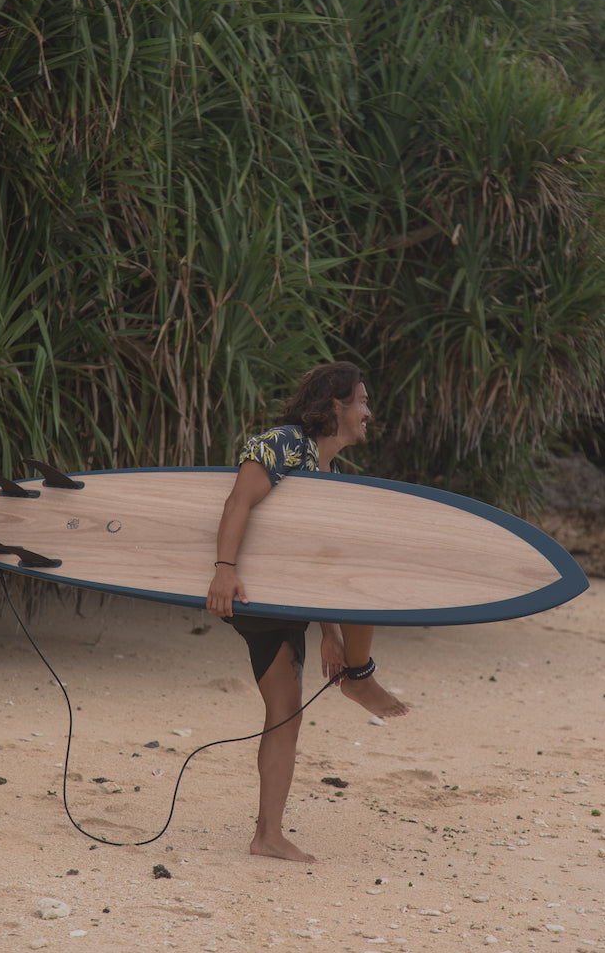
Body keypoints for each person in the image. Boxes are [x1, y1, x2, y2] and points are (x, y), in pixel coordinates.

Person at [206, 361, 408, 862]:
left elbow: (317, 565)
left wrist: (330, 633)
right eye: (362, 400)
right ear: (336, 405)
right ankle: (360, 678)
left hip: (291, 602)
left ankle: (267, 836)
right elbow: (238, 502)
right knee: (365, 582)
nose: (368, 411)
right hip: (254, 591)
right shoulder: (285, 444)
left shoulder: (330, 473)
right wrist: (224, 569)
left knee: (285, 714)